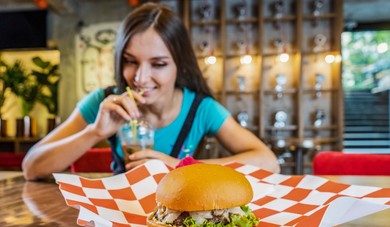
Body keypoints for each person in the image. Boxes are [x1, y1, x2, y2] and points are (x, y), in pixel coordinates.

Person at [22, 3, 280, 180]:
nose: (140, 78)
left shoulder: (201, 109)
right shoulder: (105, 102)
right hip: (119, 217)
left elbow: (269, 162)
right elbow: (32, 168)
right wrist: (95, 132)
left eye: (158, 64)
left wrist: (179, 167)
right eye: (130, 61)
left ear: (180, 64)